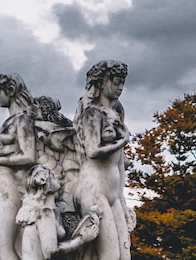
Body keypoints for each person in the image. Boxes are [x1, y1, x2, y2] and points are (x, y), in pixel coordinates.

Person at [73, 60, 131, 260]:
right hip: (94, 190)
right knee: (110, 255)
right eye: (116, 82)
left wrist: (123, 202)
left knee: (124, 255)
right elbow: (92, 150)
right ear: (102, 83)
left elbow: (119, 163)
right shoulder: (92, 113)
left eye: (123, 82)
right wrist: (122, 140)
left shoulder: (116, 112)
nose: (120, 87)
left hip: (113, 193)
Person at [0, 73, 38, 260]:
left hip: (11, 186)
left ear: (10, 90)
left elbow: (28, 155)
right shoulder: (9, 121)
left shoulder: (23, 120)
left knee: (4, 246)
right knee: (0, 247)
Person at [16, 164, 100, 260]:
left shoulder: (40, 211)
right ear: (44, 181)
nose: (56, 177)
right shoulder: (44, 213)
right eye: (52, 175)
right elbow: (50, 253)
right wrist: (81, 239)